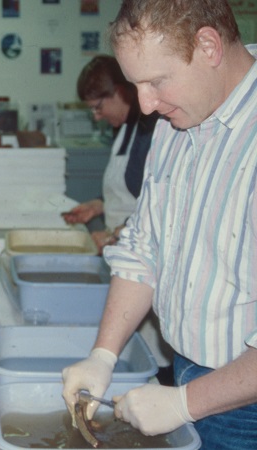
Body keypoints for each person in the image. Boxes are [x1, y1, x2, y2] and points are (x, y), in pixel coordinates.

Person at [62, 0, 257, 447]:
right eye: (135, 86)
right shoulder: (176, 121)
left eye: (155, 81)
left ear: (208, 46)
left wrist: (184, 403)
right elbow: (143, 247)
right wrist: (103, 355)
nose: (145, 106)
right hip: (188, 369)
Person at [62, 55, 159, 254]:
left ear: (120, 91)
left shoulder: (149, 133)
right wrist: (98, 205)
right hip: (122, 243)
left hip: (138, 248)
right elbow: (128, 193)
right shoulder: (125, 129)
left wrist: (115, 236)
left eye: (98, 107)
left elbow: (155, 209)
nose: (97, 117)